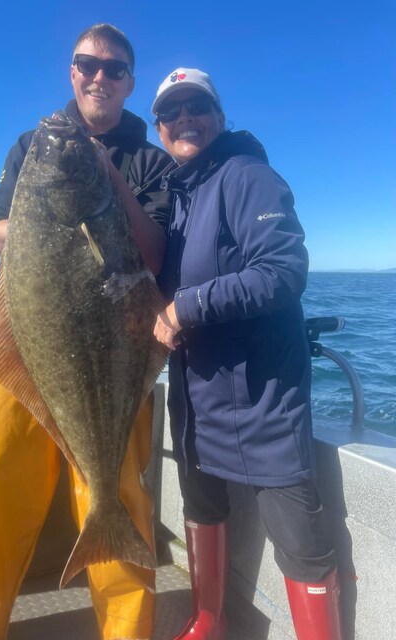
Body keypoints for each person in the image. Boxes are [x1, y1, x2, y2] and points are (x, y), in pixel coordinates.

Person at [0, 24, 173, 640]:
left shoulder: (150, 163)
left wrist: (103, 175)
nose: (99, 76)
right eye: (87, 64)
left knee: (117, 497)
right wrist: (46, 216)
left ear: (130, 82)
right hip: (27, 343)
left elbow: (155, 257)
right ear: (71, 72)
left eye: (115, 69)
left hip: (110, 361)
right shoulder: (33, 144)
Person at [152, 68, 344, 640]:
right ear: (161, 127)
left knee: (303, 544)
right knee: (201, 509)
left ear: (219, 116)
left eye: (196, 106)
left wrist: (184, 308)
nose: (184, 118)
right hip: (197, 399)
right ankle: (207, 619)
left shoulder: (248, 175)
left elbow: (284, 272)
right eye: (172, 111)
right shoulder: (182, 198)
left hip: (263, 401)